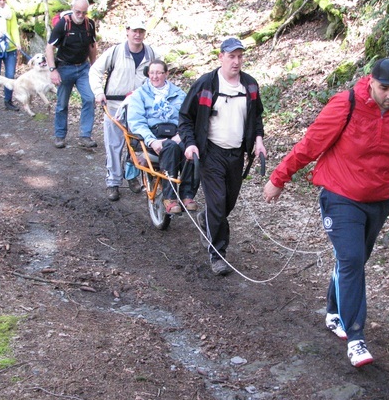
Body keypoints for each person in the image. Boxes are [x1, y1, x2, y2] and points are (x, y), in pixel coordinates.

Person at [263, 58, 389, 367]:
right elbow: (310, 144)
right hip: (340, 195)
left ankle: (333, 311)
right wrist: (279, 178)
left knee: (354, 260)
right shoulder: (347, 104)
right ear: (371, 81)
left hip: (381, 198)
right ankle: (356, 338)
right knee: (352, 260)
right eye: (384, 88)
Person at [179, 37, 266, 276]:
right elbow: (185, 117)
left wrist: (258, 140)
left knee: (227, 204)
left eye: (240, 56)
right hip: (211, 152)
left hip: (237, 154)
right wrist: (190, 144)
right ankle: (217, 254)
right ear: (221, 57)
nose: (236, 61)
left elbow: (256, 118)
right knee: (217, 204)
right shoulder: (206, 84)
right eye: (231, 56)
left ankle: (206, 219)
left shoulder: (250, 86)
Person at [89, 17, 159, 201]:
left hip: (140, 106)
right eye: (134, 31)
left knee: (137, 143)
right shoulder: (115, 52)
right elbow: (95, 70)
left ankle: (132, 176)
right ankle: (113, 181)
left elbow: (160, 75)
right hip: (114, 104)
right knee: (114, 144)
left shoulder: (151, 54)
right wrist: (98, 92)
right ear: (127, 31)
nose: (137, 35)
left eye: (141, 31)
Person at [126, 60, 198, 213]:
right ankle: (170, 198)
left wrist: (181, 135)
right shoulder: (140, 94)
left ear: (166, 74)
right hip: (152, 136)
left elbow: (189, 118)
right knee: (170, 147)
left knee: (190, 149)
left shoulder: (179, 94)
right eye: (152, 73)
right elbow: (136, 122)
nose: (155, 76)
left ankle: (187, 195)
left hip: (177, 134)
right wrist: (152, 141)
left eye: (159, 72)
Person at [46, 0, 97, 149]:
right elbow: (50, 47)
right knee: (62, 104)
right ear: (72, 9)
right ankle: (60, 136)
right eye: (77, 12)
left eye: (83, 12)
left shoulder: (90, 25)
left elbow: (92, 46)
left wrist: (94, 67)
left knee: (89, 98)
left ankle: (85, 136)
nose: (80, 15)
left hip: (83, 68)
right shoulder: (63, 24)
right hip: (64, 67)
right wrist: (52, 70)